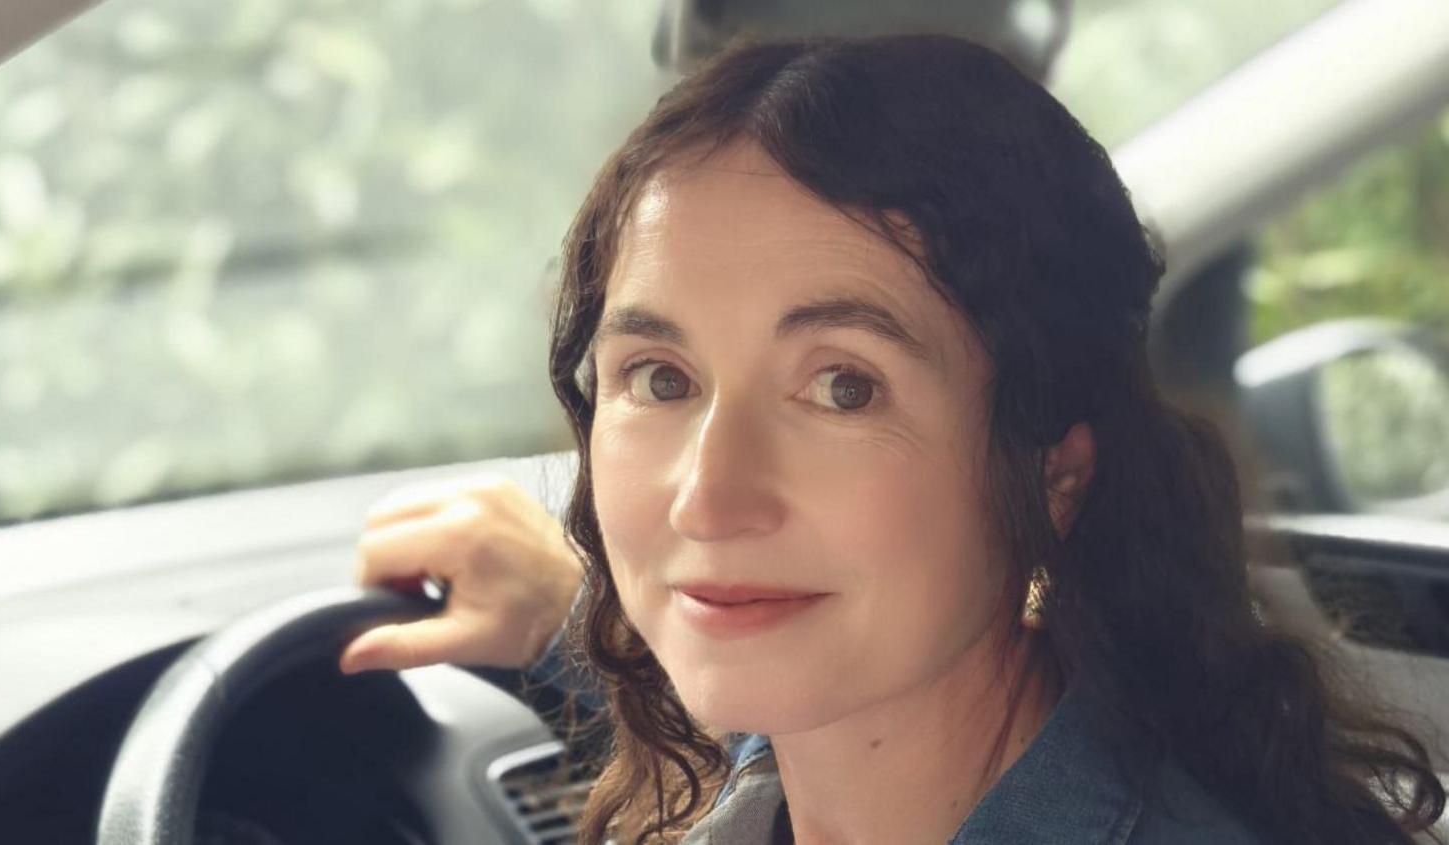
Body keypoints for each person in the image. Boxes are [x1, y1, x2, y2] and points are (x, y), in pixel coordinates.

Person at [339, 34, 1446, 845]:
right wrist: (570, 618)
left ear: (1054, 472)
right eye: (661, 378)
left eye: (843, 389)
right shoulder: (814, 757)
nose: (706, 497)